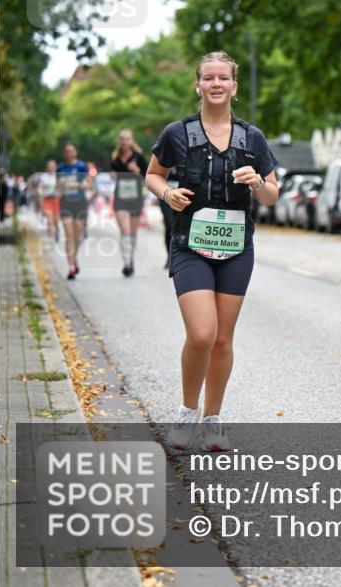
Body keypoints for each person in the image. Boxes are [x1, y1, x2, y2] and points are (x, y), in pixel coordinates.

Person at [145, 51, 279, 452]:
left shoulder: (251, 137)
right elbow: (153, 174)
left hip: (237, 247)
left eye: (224, 78)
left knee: (223, 338)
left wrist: (257, 181)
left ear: (234, 87)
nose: (216, 84)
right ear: (198, 85)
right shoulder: (177, 134)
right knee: (202, 334)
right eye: (209, 78)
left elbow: (272, 195)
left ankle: (213, 419)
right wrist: (167, 193)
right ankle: (187, 412)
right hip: (190, 245)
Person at [110, 129, 149, 277]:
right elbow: (113, 174)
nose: (124, 141)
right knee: (125, 231)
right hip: (120, 199)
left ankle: (130, 258)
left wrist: (138, 171)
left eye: (127, 139)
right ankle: (126, 263)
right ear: (120, 141)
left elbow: (148, 177)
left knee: (132, 233)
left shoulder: (139, 157)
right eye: (122, 139)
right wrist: (114, 176)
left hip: (136, 198)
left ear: (132, 140)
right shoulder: (115, 157)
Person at [57, 142, 90, 279]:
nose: (69, 153)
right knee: (69, 236)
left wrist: (77, 184)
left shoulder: (81, 166)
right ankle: (70, 267)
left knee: (78, 236)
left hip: (80, 203)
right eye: (67, 151)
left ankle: (74, 257)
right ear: (64, 153)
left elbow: (89, 184)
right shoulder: (60, 168)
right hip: (66, 204)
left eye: (72, 151)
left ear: (75, 152)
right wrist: (62, 185)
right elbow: (57, 187)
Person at [39, 160, 60, 241]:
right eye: (50, 166)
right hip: (47, 200)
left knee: (56, 221)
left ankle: (57, 230)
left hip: (56, 200)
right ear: (47, 167)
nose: (51, 168)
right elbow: (40, 188)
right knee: (49, 218)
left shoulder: (58, 176)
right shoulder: (43, 176)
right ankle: (50, 237)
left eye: (53, 166)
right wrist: (40, 195)